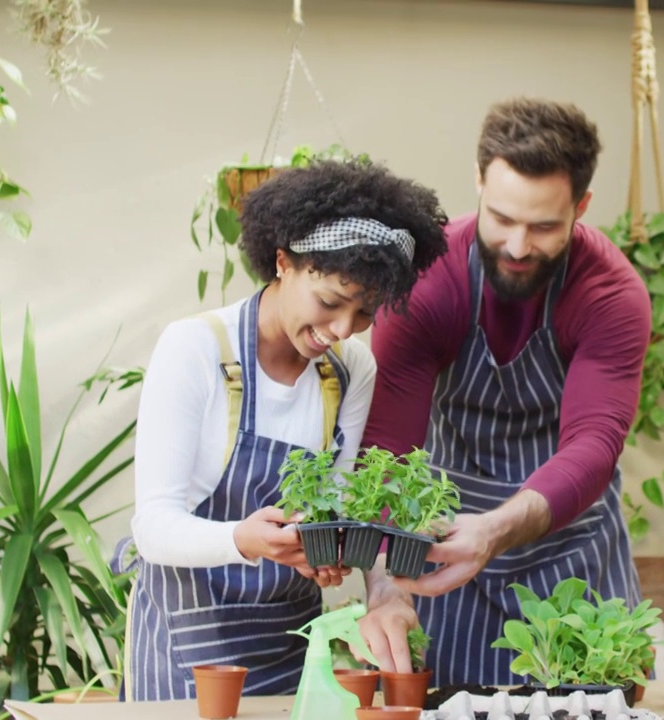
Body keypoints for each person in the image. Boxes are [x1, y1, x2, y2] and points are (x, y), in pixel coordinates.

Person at [117, 158, 447, 700]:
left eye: (364, 313)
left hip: (288, 642)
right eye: (330, 302)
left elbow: (333, 504)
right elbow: (152, 528)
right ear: (282, 262)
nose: (341, 330)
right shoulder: (194, 349)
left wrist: (328, 554)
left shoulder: (350, 369)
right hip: (186, 649)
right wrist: (243, 540)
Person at [357, 97, 653, 687]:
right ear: (478, 182)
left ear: (582, 207)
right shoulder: (427, 282)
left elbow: (595, 444)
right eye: (501, 218)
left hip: (574, 556)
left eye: (543, 226)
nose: (518, 247)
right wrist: (386, 584)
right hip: (448, 555)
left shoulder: (610, 294)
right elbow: (387, 448)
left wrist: (493, 529)